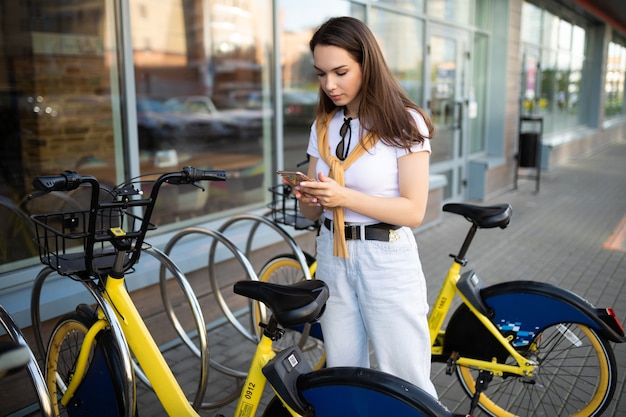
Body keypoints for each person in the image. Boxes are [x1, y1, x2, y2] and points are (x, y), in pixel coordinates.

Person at [289, 16, 438, 398]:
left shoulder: (406, 122)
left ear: (367, 64)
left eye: (340, 72)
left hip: (385, 258)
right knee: (344, 372)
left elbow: (413, 212)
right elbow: (312, 215)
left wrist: (344, 197)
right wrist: (309, 197)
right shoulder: (323, 123)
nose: (330, 85)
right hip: (332, 255)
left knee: (405, 379)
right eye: (321, 74)